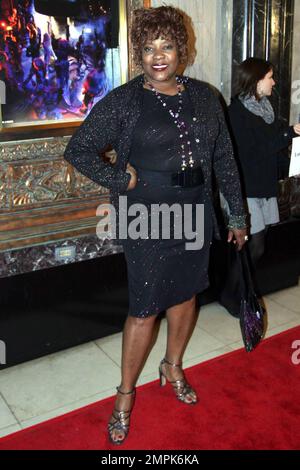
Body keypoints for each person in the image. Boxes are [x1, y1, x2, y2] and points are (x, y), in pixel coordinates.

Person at [63, 6, 248, 446]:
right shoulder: (125, 100)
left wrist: (237, 215)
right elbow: (80, 149)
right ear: (139, 55)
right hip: (146, 213)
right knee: (145, 306)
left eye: (166, 46)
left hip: (194, 210)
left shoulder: (206, 96)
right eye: (148, 48)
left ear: (181, 49)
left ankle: (173, 365)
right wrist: (118, 177)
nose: (158, 56)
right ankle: (125, 396)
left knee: (185, 295)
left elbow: (224, 157)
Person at [228, 58, 300, 268]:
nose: (274, 82)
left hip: (266, 186)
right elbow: (254, 152)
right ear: (257, 81)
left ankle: (240, 292)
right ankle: (236, 292)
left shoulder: (266, 109)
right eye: (270, 78)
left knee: (260, 243)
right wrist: (288, 132)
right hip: (248, 188)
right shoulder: (237, 113)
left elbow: (274, 150)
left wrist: (292, 168)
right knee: (255, 245)